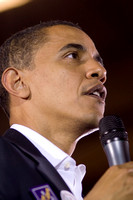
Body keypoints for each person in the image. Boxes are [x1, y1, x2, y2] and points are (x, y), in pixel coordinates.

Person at [0, 20, 133, 200]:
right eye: (72, 56)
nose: (100, 71)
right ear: (18, 82)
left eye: (99, 62)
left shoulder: (72, 185)